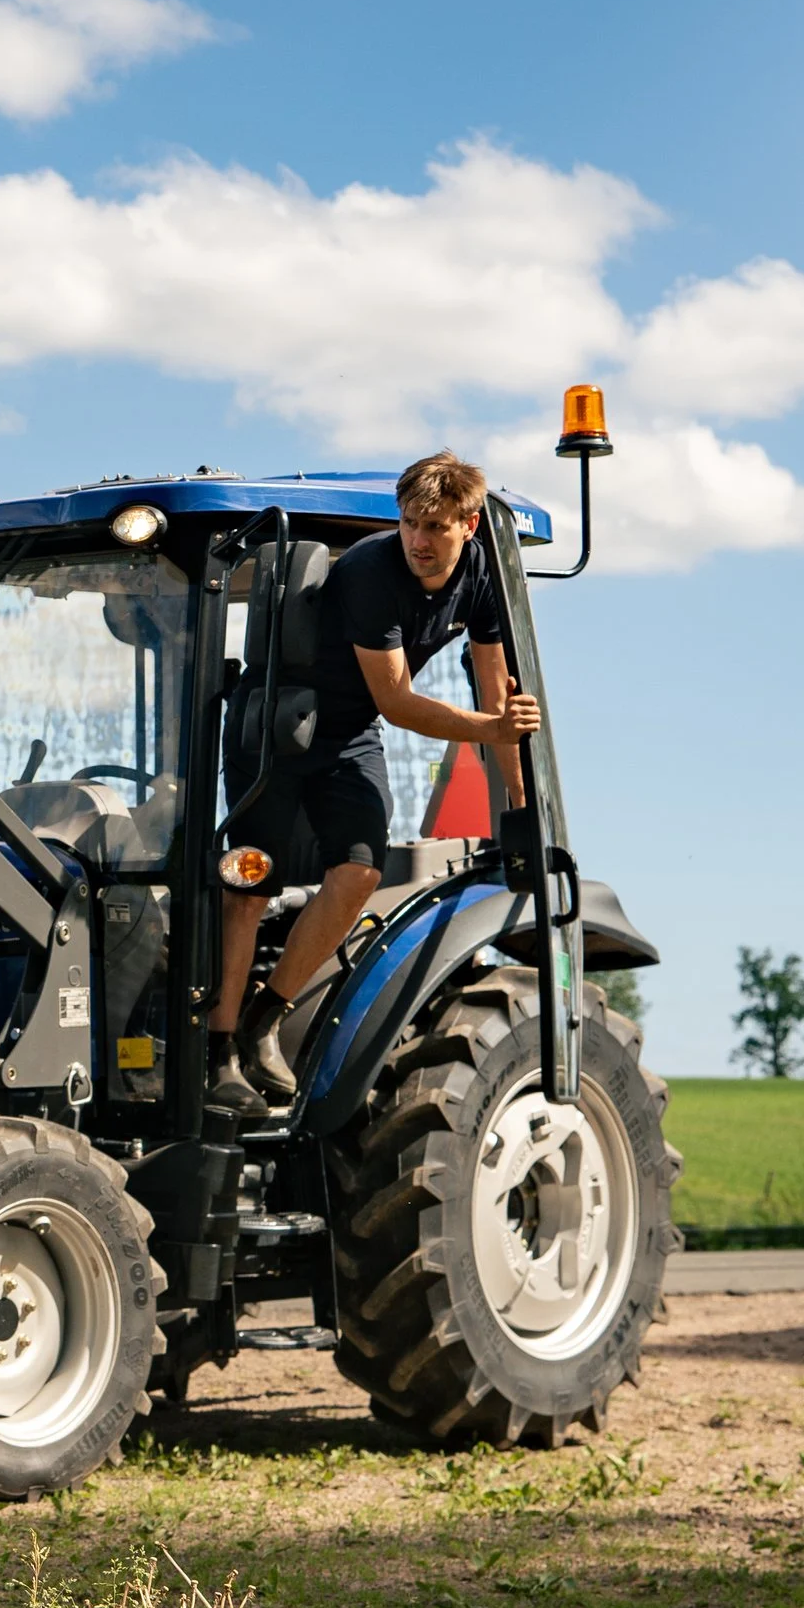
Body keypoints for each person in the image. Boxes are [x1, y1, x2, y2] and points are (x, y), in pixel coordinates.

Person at [208, 451, 540, 1113]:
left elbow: (496, 688)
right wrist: (492, 728)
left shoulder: (484, 575)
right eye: (412, 522)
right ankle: (217, 1049)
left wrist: (523, 812)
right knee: (249, 886)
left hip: (348, 735)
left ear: (469, 526)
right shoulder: (368, 572)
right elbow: (398, 701)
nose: (419, 539)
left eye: (437, 527)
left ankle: (265, 1018)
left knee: (359, 873)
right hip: (277, 725)